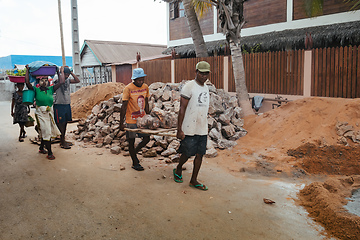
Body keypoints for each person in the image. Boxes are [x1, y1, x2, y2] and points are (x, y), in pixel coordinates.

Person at [173, 61, 211, 191]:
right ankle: (178, 168)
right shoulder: (189, 87)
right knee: (187, 153)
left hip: (202, 127)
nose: (203, 76)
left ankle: (193, 180)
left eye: (206, 74)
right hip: (189, 127)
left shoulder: (206, 88)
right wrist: (180, 129)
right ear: (196, 72)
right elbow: (182, 109)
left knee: (200, 154)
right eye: (201, 73)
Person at [25, 65, 65, 160]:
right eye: (42, 80)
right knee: (46, 131)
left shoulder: (51, 89)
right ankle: (50, 153)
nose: (44, 82)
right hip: (40, 113)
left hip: (49, 113)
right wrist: (27, 70)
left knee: (47, 130)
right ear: (38, 82)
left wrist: (58, 71)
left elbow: (61, 82)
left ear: (48, 82)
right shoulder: (36, 90)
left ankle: (41, 148)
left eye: (46, 80)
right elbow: (27, 82)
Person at [120, 68, 151, 171]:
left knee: (147, 139)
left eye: (142, 79)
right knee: (131, 141)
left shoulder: (145, 87)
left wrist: (148, 116)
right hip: (131, 120)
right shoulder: (128, 88)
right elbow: (124, 106)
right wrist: (121, 123)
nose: (141, 82)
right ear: (134, 79)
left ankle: (135, 152)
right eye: (138, 80)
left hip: (142, 120)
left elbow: (146, 101)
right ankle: (135, 162)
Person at [53, 66, 80, 149]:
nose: (67, 76)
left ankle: (63, 140)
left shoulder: (67, 79)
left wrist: (71, 72)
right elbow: (62, 81)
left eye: (68, 75)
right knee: (60, 124)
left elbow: (77, 80)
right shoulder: (57, 78)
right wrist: (61, 71)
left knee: (65, 123)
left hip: (66, 104)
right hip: (59, 104)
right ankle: (62, 142)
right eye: (66, 74)